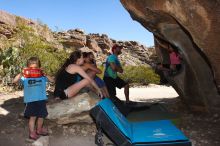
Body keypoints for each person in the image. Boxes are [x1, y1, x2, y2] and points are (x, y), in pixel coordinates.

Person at [13, 57, 54, 140]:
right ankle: (32, 133)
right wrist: (21, 73)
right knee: (33, 117)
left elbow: (52, 81)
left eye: (36, 68)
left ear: (39, 67)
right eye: (31, 68)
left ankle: (39, 130)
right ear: (28, 68)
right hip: (31, 100)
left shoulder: (42, 76)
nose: (33, 70)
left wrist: (45, 74)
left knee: (41, 116)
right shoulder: (25, 77)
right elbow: (14, 81)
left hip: (41, 99)